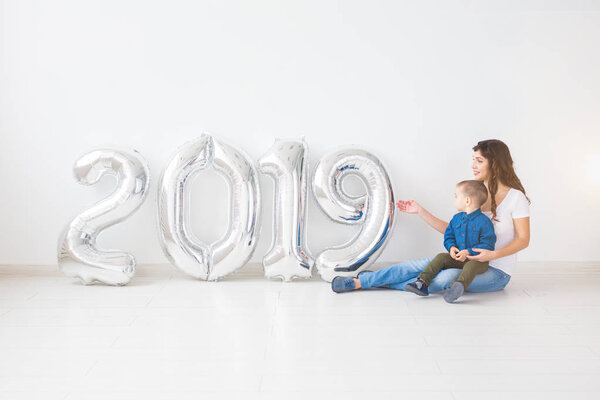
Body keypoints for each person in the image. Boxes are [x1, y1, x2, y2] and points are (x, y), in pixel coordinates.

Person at [330, 139, 530, 296]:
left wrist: (491, 255)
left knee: (444, 280)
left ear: (494, 165)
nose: (473, 165)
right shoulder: (474, 193)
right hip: (462, 259)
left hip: (495, 271)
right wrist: (420, 211)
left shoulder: (515, 198)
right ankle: (359, 283)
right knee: (418, 266)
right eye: (473, 159)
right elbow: (452, 229)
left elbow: (523, 240)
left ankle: (380, 281)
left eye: (479, 161)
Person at [404, 180, 496, 303]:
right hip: (458, 257)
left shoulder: (484, 222)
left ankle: (456, 287)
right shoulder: (456, 219)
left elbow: (487, 245)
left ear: (467, 201)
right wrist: (452, 247)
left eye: (456, 196)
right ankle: (422, 283)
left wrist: (468, 252)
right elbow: (449, 236)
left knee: (471, 265)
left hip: (477, 260)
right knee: (441, 257)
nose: (454, 199)